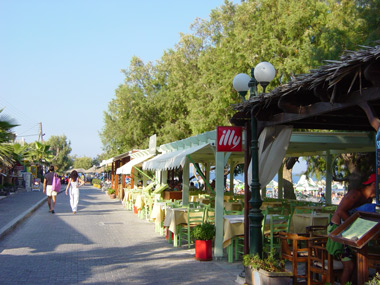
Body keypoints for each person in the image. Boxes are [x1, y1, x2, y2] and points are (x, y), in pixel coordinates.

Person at [327, 173, 376, 284]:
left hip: (351, 233)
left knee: (358, 265)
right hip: (338, 230)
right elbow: (340, 211)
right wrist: (355, 225)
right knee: (349, 266)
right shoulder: (355, 194)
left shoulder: (368, 200)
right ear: (374, 184)